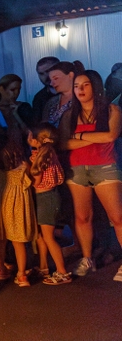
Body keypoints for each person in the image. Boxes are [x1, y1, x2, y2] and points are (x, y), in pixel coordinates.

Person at [58, 70, 122, 279]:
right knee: (82, 217)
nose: (80, 90)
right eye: (77, 86)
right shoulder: (70, 114)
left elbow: (111, 135)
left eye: (85, 85)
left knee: (117, 217)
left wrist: (81, 135)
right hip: (77, 169)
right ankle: (87, 258)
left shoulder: (112, 110)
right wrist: (96, 137)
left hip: (104, 167)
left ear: (95, 86)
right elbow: (65, 143)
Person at [28, 124, 71, 285]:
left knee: (48, 237)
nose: (29, 139)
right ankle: (45, 267)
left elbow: (36, 180)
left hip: (45, 199)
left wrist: (28, 167)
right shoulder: (51, 154)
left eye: (31, 137)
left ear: (38, 139)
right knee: (44, 236)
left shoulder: (39, 157)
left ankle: (62, 271)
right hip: (51, 196)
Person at [0, 136, 36, 287]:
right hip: (23, 204)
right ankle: (22, 274)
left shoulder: (3, 171)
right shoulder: (25, 165)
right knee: (19, 241)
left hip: (8, 204)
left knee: (5, 238)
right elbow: (32, 181)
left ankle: (3, 268)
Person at [43, 61, 78, 127]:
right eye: (50, 80)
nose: (51, 83)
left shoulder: (81, 99)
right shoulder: (51, 102)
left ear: (70, 75)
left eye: (56, 78)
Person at [31, 56, 60, 124]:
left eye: (48, 71)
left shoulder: (75, 89)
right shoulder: (39, 97)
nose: (46, 76)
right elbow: (38, 124)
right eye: (41, 74)